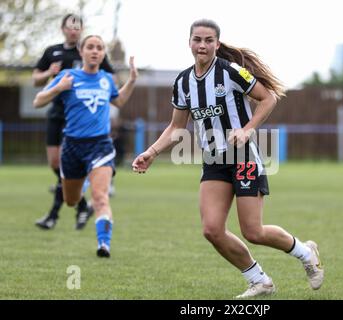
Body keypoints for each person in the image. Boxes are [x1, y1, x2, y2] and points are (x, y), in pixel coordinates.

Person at [132, 19, 324, 298]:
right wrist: (150, 152)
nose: (202, 45)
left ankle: (307, 253)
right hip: (213, 162)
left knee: (253, 231)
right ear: (189, 43)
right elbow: (176, 127)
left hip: (243, 157)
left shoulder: (231, 71)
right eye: (197, 39)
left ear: (217, 44)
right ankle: (260, 281)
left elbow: (268, 98)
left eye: (209, 40)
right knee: (212, 229)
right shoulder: (183, 82)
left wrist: (247, 131)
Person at [33, 35, 138, 257]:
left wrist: (132, 81)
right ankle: (81, 188)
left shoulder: (106, 80)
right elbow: (38, 101)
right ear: (81, 51)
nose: (95, 51)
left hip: (100, 145)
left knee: (101, 197)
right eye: (90, 47)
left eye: (99, 48)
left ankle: (104, 244)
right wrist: (58, 88)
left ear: (102, 54)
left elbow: (118, 101)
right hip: (72, 146)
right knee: (71, 201)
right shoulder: (67, 76)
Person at [32, 14, 115, 230]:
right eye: (70, 27)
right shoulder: (52, 51)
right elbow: (35, 79)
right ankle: (79, 201)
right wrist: (50, 74)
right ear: (62, 29)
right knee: (54, 163)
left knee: (68, 164)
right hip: (57, 113)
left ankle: (55, 213)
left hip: (83, 118)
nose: (74, 30)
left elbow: (108, 79)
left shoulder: (92, 49)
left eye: (78, 27)